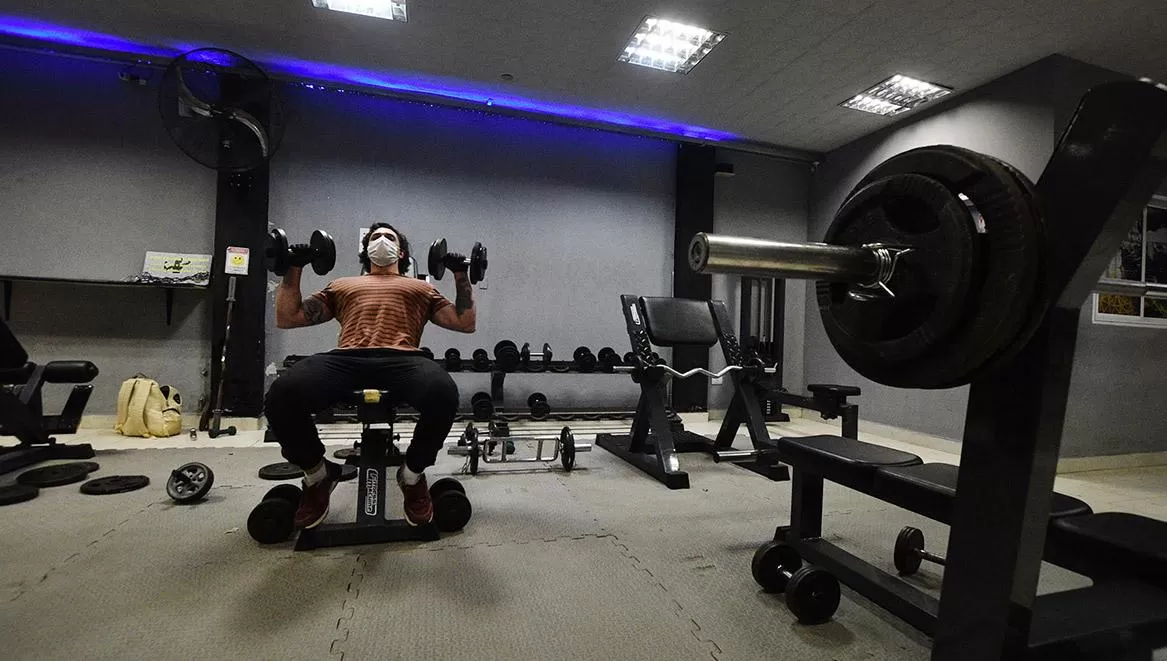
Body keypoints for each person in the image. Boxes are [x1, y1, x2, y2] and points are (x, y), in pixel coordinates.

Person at [265, 223, 475, 529]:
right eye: (375, 237)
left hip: (402, 358)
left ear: (401, 252)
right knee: (282, 395)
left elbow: (465, 323)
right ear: (365, 249)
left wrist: (460, 274)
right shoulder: (342, 284)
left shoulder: (421, 288)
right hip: (347, 358)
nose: (381, 241)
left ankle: (412, 475)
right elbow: (288, 316)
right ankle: (318, 474)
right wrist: (294, 266)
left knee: (443, 392)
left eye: (389, 237)